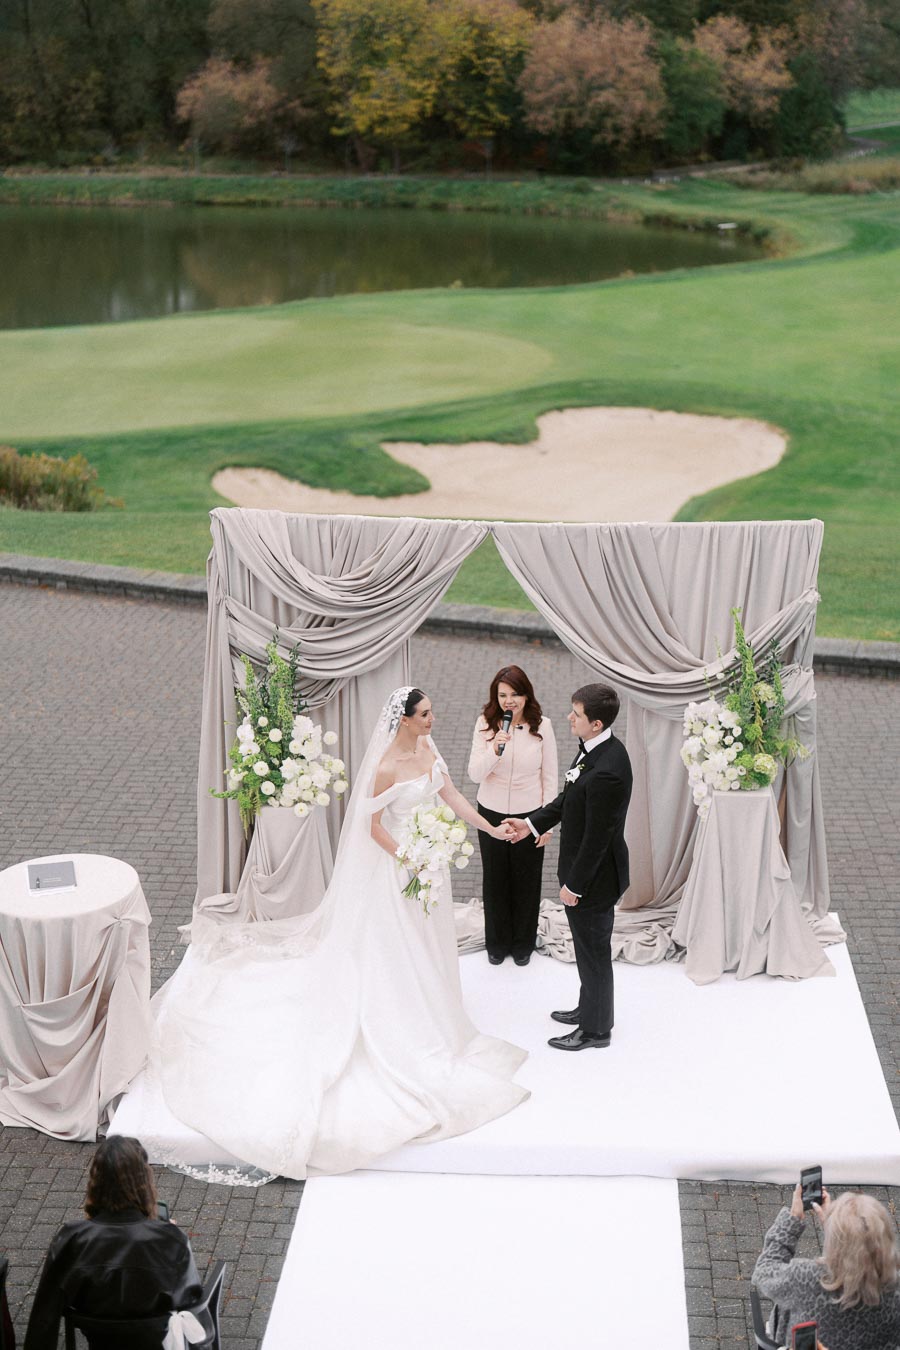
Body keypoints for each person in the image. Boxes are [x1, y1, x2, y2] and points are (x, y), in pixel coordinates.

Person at [150, 686, 528, 1179]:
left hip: (430, 868)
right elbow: (372, 827)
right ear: (406, 719)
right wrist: (410, 857)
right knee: (397, 952)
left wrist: (491, 828)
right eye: (427, 714)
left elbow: (451, 795)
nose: (434, 719)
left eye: (432, 712)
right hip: (401, 873)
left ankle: (433, 1011)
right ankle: (399, 1021)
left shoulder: (429, 750)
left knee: (428, 947)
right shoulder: (386, 766)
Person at [505, 682, 632, 1051]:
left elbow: (598, 839)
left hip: (594, 880)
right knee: (587, 950)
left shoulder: (608, 769)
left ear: (595, 723)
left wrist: (574, 886)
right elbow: (567, 800)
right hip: (586, 874)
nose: (568, 718)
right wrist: (529, 824)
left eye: (575, 714)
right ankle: (588, 1008)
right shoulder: (594, 750)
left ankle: (596, 1031)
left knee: (594, 954)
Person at [24, 1135, 213, 1350]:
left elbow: (45, 1314)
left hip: (100, 1341)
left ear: (95, 1182)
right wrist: (165, 1232)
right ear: (145, 1181)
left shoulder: (72, 1239)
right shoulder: (170, 1239)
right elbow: (189, 1301)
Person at [467, 665, 557, 966]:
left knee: (526, 878)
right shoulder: (485, 724)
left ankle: (523, 943)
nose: (509, 701)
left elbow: (550, 777)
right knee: (495, 878)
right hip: (490, 811)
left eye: (515, 694)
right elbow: (474, 773)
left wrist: (547, 823)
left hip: (529, 813)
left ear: (526, 695)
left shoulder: (543, 726)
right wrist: (495, 748)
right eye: (503, 695)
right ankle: (497, 941)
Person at [753, 1183, 900, 1349]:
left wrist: (792, 1220)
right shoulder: (894, 1293)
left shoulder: (806, 1278)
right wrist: (833, 1228)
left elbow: (764, 1272)